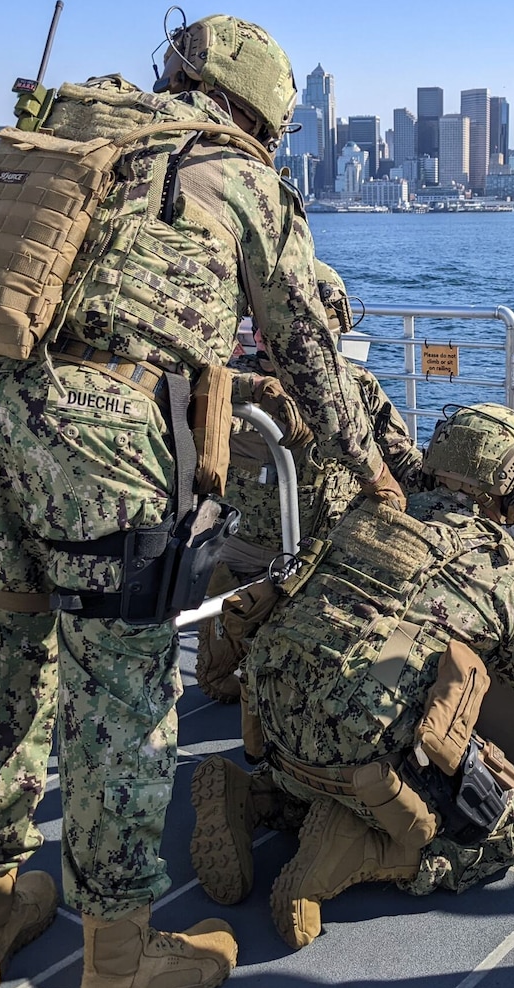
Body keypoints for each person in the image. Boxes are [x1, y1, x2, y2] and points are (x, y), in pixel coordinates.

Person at [0, 12, 404, 988]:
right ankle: (116, 967)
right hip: (95, 435)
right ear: (264, 111)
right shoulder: (230, 172)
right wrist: (371, 470)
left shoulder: (83, 136)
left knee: (5, 672)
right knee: (117, 698)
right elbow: (306, 345)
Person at [190, 403, 514, 948]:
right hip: (361, 763)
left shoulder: (364, 513)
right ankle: (356, 852)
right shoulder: (507, 573)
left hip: (276, 727)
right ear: (510, 478)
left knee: (335, 727)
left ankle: (253, 797)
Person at [196, 260, 425, 706]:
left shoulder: (221, 384)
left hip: (292, 564)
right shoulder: (234, 389)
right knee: (239, 687)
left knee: (272, 690)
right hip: (276, 570)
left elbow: (406, 465)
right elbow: (405, 469)